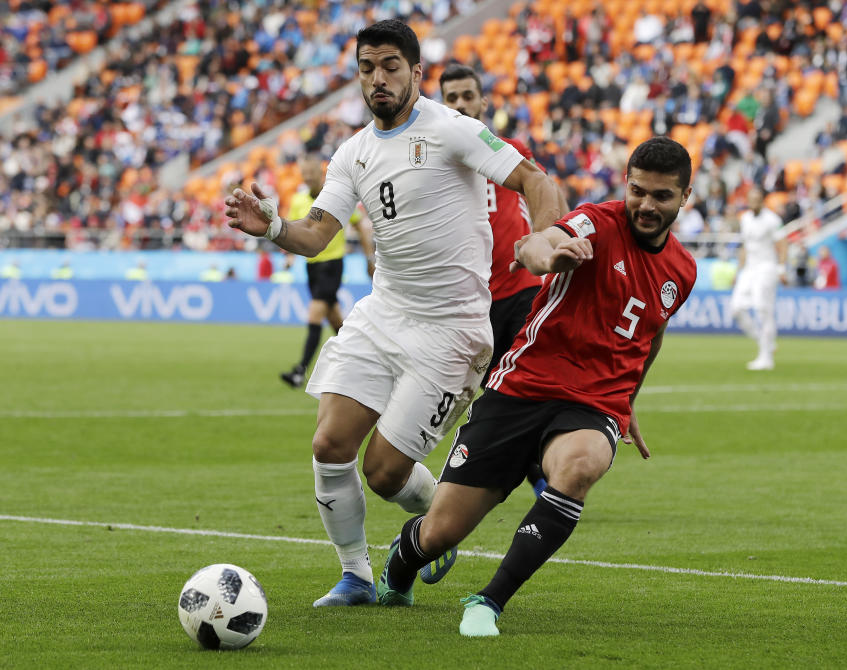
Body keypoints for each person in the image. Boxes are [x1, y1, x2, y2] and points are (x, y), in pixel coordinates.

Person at [224, 19, 567, 608]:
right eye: (366, 68)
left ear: (414, 72)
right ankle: (355, 576)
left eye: (388, 67)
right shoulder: (353, 153)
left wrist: (545, 238)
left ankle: (435, 523)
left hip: (451, 329)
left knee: (384, 473)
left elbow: (534, 180)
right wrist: (274, 227)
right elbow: (315, 233)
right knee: (329, 444)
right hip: (384, 313)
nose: (376, 79)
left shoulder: (451, 129)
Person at [374, 137, 697, 637]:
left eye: (661, 196)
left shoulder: (683, 269)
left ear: (685, 196)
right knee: (440, 533)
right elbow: (533, 244)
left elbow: (652, 331)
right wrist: (549, 256)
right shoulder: (596, 223)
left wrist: (628, 404)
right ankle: (402, 560)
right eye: (638, 192)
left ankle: (488, 601)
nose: (647, 206)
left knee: (581, 464)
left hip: (594, 404)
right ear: (626, 185)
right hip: (522, 387)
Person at [439, 64, 566, 496]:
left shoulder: (509, 151)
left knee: (527, 386)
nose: (460, 105)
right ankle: (531, 474)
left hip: (520, 290)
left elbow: (546, 188)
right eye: (451, 98)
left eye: (467, 96)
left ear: (483, 101)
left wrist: (549, 238)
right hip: (469, 300)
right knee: (489, 396)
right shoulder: (439, 160)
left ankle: (544, 479)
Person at [281, 154, 374, 388]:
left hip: (332, 264)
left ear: (321, 173)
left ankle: (300, 370)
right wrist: (290, 256)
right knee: (336, 322)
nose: (308, 177)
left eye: (312, 172)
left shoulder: (334, 199)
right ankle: (361, 363)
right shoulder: (298, 201)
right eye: (305, 173)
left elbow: (359, 225)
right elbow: (293, 230)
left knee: (314, 314)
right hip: (311, 266)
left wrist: (368, 257)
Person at [730, 186, 786, 371]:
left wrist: (781, 268)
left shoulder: (772, 220)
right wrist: (738, 272)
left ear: (762, 200)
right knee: (736, 308)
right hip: (749, 268)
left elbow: (782, 243)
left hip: (766, 267)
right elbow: (745, 246)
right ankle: (766, 342)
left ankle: (766, 357)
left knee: (763, 309)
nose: (753, 203)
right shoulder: (745, 219)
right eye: (750, 200)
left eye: (756, 200)